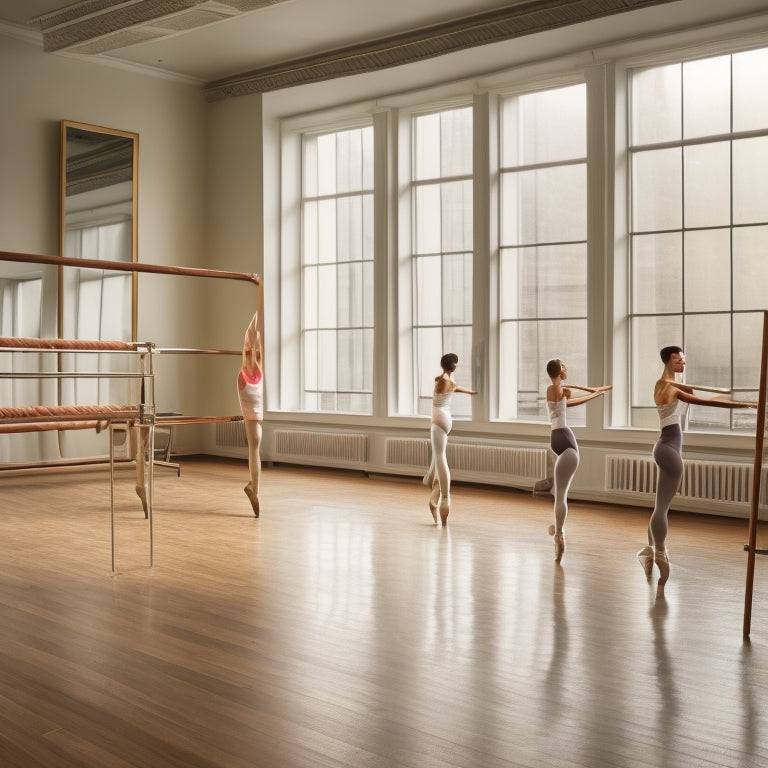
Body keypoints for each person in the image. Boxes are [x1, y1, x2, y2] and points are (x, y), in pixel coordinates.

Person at [637, 345, 756, 595]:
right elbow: (706, 402)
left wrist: (687, 385)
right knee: (662, 508)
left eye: (683, 358)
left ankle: (649, 550)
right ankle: (660, 552)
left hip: (663, 447)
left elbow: (688, 394)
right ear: (668, 361)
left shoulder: (667, 385)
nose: (682, 361)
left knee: (659, 507)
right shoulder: (668, 387)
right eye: (677, 358)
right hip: (669, 450)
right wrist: (744, 404)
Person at [545, 359, 611, 562]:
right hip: (566, 441)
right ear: (559, 371)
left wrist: (594, 394)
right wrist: (592, 389)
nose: (567, 370)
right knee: (561, 495)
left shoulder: (554, 392)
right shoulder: (555, 388)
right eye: (565, 367)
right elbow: (565, 392)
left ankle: (558, 529)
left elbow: (570, 402)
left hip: (556, 439)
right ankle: (559, 534)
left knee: (559, 493)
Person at [423, 352, 477, 525]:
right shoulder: (448, 380)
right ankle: (432, 483)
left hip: (438, 420)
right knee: (437, 457)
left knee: (440, 458)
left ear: (443, 365)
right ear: (453, 366)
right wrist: (470, 392)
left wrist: (441, 378)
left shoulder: (444, 381)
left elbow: (449, 385)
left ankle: (445, 497)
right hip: (445, 419)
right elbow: (457, 387)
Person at [238, 284, 264, 517]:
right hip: (251, 384)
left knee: (255, 445)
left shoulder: (256, 351)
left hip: (255, 387)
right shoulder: (251, 350)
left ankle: (254, 488)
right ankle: (254, 487)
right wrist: (262, 287)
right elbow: (258, 318)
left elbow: (259, 320)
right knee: (254, 443)